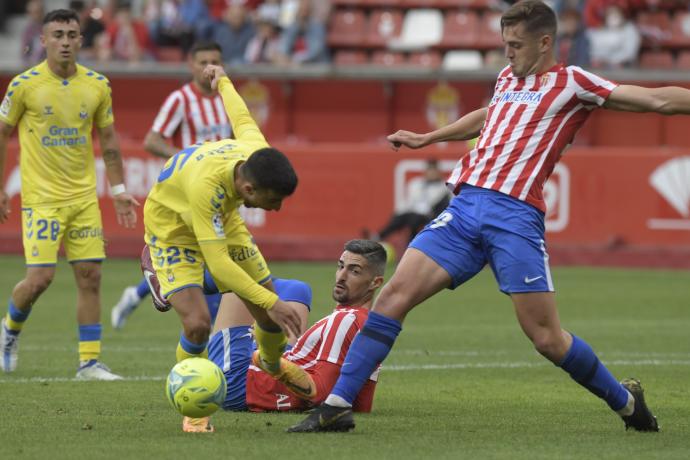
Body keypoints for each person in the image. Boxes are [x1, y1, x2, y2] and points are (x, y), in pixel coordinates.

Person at [288, 0, 688, 433]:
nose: (508, 53)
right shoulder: (506, 78)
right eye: (505, 44)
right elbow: (489, 115)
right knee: (391, 298)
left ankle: (629, 405)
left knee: (547, 339)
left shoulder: (573, 82)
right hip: (462, 210)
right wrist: (429, 137)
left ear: (545, 41)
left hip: (514, 217)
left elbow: (655, 99)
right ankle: (337, 406)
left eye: (516, 45)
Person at [142, 63, 313, 432]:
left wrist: (223, 80)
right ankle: (192, 403)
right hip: (173, 228)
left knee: (266, 315)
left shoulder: (255, 151)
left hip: (225, 217)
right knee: (199, 325)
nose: (278, 208)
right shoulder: (208, 188)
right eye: (274, 200)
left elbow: (242, 116)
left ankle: (271, 365)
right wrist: (273, 300)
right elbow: (219, 267)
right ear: (249, 190)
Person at [0, 9, 138, 379]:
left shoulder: (96, 85)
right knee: (40, 279)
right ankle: (9, 331)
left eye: (71, 34)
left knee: (91, 275)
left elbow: (108, 140)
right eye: (57, 34)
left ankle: (89, 362)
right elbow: (3, 132)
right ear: (43, 40)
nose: (64, 41)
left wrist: (120, 189)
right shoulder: (24, 85)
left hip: (83, 199)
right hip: (42, 199)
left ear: (80, 40)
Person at [111, 41, 231, 329]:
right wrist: (186, 158)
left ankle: (139, 291)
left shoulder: (228, 98)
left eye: (214, 61)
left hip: (220, 191)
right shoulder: (181, 99)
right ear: (191, 65)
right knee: (209, 261)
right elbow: (152, 140)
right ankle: (214, 340)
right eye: (203, 62)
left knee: (208, 261)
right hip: (189, 190)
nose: (208, 68)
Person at [207, 239, 385, 416]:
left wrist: (273, 364)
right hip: (275, 376)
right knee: (298, 290)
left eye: (354, 271)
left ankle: (195, 290)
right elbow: (362, 404)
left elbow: (319, 392)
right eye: (340, 267)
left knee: (238, 272)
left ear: (375, 283)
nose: (341, 276)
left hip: (242, 385)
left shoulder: (346, 320)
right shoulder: (371, 327)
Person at [371, 158, 450, 245]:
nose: (431, 173)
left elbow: (441, 207)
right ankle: (377, 236)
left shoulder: (444, 188)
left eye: (433, 170)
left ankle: (412, 245)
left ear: (438, 172)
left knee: (414, 220)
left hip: (428, 215)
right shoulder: (415, 183)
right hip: (412, 212)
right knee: (399, 219)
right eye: (429, 170)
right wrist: (399, 213)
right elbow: (408, 201)